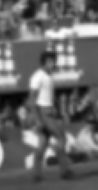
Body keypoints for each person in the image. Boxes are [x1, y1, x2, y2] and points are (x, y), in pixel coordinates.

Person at [28, 50, 74, 182]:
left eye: (54, 61)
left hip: (48, 112)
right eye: (50, 61)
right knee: (61, 137)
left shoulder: (49, 76)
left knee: (42, 144)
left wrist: (56, 110)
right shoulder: (38, 77)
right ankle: (64, 171)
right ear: (44, 62)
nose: (53, 64)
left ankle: (36, 175)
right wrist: (37, 119)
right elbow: (32, 100)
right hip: (44, 113)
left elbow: (48, 97)